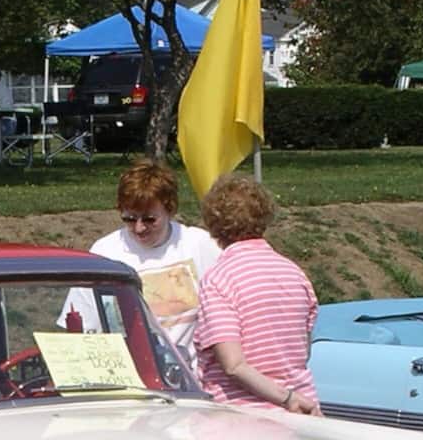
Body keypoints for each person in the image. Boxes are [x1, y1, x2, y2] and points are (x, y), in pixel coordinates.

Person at [57, 159, 221, 368]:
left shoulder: (199, 244)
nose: (139, 228)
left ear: (169, 210)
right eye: (130, 219)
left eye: (150, 219)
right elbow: (81, 328)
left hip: (193, 377)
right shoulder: (105, 252)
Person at [194, 174, 319, 415]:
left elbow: (233, 365)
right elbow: (301, 352)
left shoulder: (219, 280)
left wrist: (286, 398)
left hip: (243, 418)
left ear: (213, 225)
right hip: (305, 411)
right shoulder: (295, 273)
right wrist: (292, 396)